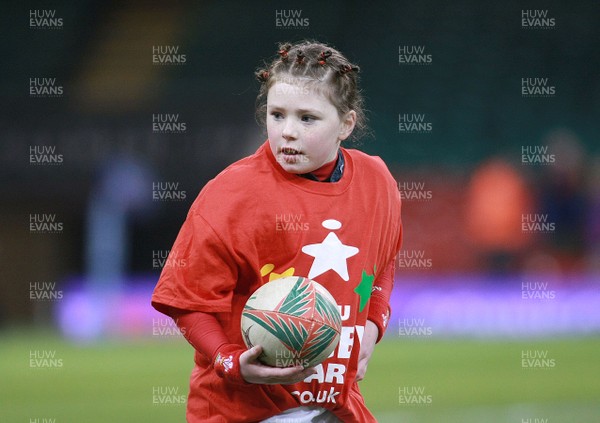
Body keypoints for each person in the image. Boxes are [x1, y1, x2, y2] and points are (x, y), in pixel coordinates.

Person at [151, 40, 402, 422]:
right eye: (277, 114)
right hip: (240, 411)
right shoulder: (232, 194)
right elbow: (189, 301)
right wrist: (230, 361)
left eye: (307, 118)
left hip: (336, 406)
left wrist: (373, 322)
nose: (287, 132)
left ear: (346, 124)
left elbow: (382, 258)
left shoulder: (377, 182)